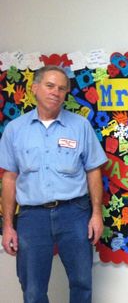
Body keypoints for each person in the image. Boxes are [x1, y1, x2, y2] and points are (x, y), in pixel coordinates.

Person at [0, 65, 108, 303]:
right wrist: (8, 225)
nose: (55, 92)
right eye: (49, 86)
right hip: (31, 216)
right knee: (32, 288)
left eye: (61, 88)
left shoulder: (80, 126)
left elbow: (93, 170)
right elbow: (9, 178)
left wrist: (96, 214)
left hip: (75, 213)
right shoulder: (15, 130)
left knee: (81, 282)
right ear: (35, 88)